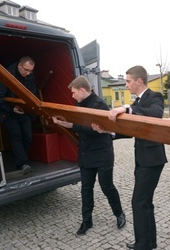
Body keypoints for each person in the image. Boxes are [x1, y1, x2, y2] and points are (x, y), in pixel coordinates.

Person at [92, 65, 167, 250]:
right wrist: (108, 131)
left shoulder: (154, 97)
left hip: (152, 160)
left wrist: (127, 108)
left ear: (139, 81)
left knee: (139, 201)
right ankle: (150, 242)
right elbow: (131, 131)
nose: (126, 85)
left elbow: (156, 114)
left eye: (128, 81)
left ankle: (143, 245)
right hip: (143, 159)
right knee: (145, 202)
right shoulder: (137, 103)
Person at [52, 76, 125, 236]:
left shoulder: (100, 105)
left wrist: (73, 125)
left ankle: (119, 214)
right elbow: (79, 124)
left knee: (106, 186)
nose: (72, 96)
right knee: (86, 189)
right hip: (86, 153)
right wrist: (64, 123)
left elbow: (96, 128)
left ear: (82, 90)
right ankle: (87, 221)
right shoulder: (79, 104)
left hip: (102, 153)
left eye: (73, 93)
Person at [0, 56, 37, 174]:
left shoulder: (30, 76)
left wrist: (28, 108)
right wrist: (12, 110)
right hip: (6, 110)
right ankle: (22, 163)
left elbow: (33, 94)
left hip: (22, 110)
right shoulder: (5, 74)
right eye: (26, 70)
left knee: (28, 135)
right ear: (19, 65)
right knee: (16, 134)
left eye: (30, 71)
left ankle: (22, 160)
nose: (28, 73)